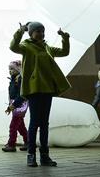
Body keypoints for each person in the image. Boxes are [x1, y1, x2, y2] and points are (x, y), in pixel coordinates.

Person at [9, 21, 70, 167]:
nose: (41, 34)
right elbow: (13, 46)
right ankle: (31, 155)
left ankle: (45, 156)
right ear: (31, 33)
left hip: (47, 89)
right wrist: (20, 31)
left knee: (44, 124)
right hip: (34, 89)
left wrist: (65, 38)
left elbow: (64, 52)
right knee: (34, 123)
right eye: (37, 31)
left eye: (42, 31)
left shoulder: (47, 47)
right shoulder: (26, 46)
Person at [2, 59, 28, 152]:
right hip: (15, 104)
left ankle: (11, 144)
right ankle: (28, 141)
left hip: (20, 104)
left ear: (18, 69)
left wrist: (13, 106)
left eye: (12, 69)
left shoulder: (20, 79)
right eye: (9, 69)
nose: (10, 71)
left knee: (13, 125)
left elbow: (21, 95)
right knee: (20, 125)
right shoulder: (13, 79)